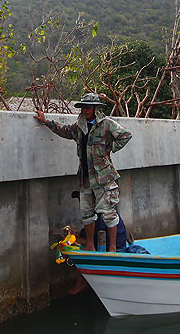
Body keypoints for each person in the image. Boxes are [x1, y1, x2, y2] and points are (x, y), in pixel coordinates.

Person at [34, 92, 132, 252]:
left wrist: (110, 148)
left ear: (95, 108)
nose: (85, 110)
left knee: (108, 213)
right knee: (87, 215)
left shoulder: (106, 124)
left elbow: (126, 135)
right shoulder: (79, 127)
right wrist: (46, 122)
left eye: (88, 107)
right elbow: (64, 131)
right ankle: (91, 246)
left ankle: (113, 248)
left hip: (104, 178)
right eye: (83, 107)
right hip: (85, 178)